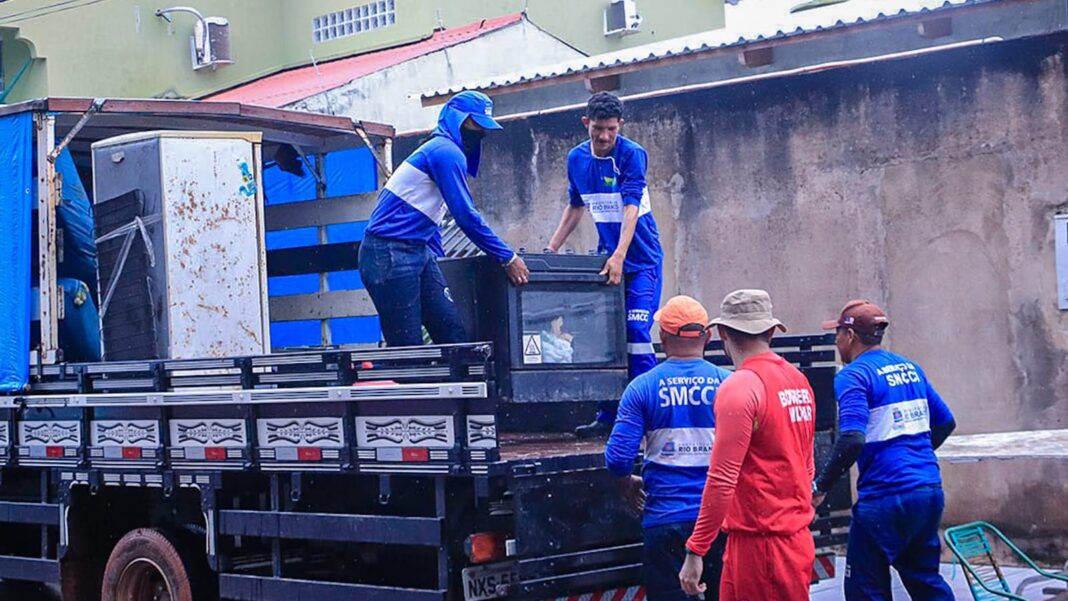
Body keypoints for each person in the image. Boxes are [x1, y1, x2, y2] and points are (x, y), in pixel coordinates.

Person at [359, 91, 529, 346]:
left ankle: (460, 386)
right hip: (388, 252)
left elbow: (431, 218)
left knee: (453, 335)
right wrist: (507, 257)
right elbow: (466, 216)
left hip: (417, 249)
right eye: (475, 125)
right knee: (408, 350)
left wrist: (436, 262)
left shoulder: (442, 151)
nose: (480, 133)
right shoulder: (445, 152)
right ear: (457, 120)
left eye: (484, 127)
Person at [813, 300, 956, 601]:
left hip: (886, 498)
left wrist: (820, 486)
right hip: (927, 491)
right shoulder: (910, 369)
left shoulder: (853, 376)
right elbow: (945, 422)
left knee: (865, 589)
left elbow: (852, 438)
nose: (836, 340)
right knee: (926, 581)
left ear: (850, 336)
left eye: (837, 333)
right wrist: (914, 459)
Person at [680, 289, 816, 601]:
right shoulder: (797, 380)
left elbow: (722, 479)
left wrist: (696, 548)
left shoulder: (740, 387)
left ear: (722, 333)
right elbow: (806, 464)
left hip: (762, 545)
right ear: (770, 330)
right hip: (789, 538)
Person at [547, 92, 664, 437]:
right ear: (586, 124)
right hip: (606, 259)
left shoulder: (632, 155)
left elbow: (630, 208)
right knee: (600, 336)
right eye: (598, 128)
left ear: (620, 126)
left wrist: (619, 256)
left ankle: (650, 415)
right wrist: (551, 248)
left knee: (636, 333)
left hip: (640, 262)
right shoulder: (576, 159)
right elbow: (575, 206)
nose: (604, 136)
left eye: (611, 129)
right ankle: (608, 415)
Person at [605, 295, 731, 601]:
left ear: (662, 336)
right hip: (720, 521)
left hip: (666, 521)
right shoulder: (728, 384)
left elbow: (619, 458)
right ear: (708, 337)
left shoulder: (643, 387)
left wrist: (627, 484)